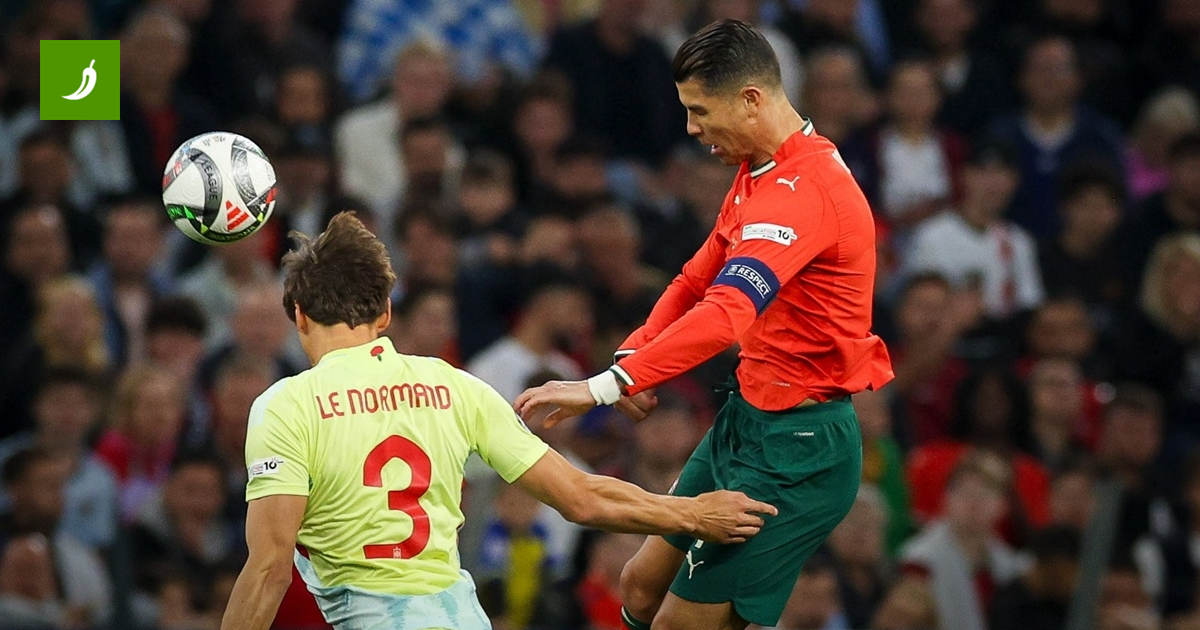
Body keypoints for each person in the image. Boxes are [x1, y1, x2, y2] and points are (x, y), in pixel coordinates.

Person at [217, 212, 776, 630]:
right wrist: (692, 513)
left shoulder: (286, 406)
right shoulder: (453, 386)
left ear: (298, 315)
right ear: (385, 313)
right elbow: (581, 497)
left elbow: (268, 570)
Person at [516, 20, 893, 630]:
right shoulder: (761, 169)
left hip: (799, 451)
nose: (692, 129)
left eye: (700, 111)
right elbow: (695, 280)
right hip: (747, 421)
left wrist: (604, 387)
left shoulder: (804, 192)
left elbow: (725, 314)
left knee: (680, 625)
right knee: (639, 588)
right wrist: (631, 360)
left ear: (751, 99)